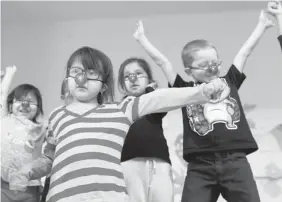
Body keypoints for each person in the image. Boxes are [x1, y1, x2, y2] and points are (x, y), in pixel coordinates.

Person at [9, 46, 227, 202]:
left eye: (91, 73)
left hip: (110, 197)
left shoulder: (120, 109)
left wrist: (200, 91)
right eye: (76, 72)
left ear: (104, 86)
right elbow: (49, 157)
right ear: (67, 79)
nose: (81, 79)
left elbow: (158, 98)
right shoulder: (57, 115)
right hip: (62, 196)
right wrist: (27, 171)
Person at [134, 9, 273, 202]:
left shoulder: (229, 81)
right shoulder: (184, 90)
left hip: (235, 161)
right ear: (188, 70)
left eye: (215, 63)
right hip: (200, 166)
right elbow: (163, 62)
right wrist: (142, 39)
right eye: (204, 65)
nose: (211, 69)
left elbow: (244, 52)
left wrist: (261, 26)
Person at [119, 57, 173, 202]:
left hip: (159, 162)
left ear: (149, 80)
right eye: (127, 76)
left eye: (138, 74)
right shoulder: (120, 107)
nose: (133, 78)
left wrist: (150, 89)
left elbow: (165, 100)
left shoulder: (154, 103)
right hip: (129, 162)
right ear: (122, 85)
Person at [1, 65, 46, 202]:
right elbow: (2, 95)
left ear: (38, 109)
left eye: (31, 102)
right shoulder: (4, 119)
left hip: (29, 187)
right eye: (19, 100)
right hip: (3, 184)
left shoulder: (40, 128)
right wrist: (9, 75)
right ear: (10, 105)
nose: (25, 104)